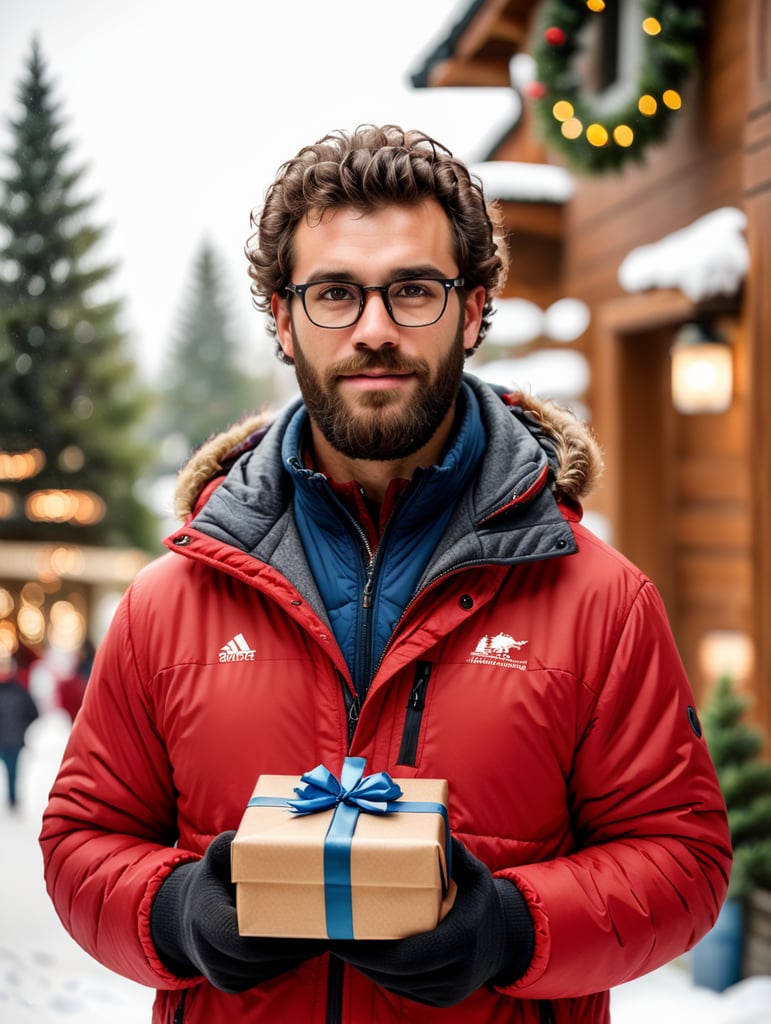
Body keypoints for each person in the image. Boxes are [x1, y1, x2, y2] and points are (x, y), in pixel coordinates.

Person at [40, 125, 732, 1024]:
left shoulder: (600, 601)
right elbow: (80, 840)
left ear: (472, 310)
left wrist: (510, 930)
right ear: (284, 321)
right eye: (333, 294)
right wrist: (173, 913)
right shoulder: (168, 603)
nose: (373, 331)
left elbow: (682, 859)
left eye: (412, 291)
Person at [0, 657, 39, 811]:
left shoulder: (20, 691)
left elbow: (33, 712)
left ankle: (12, 800)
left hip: (13, 740)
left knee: (12, 773)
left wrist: (22, 727)